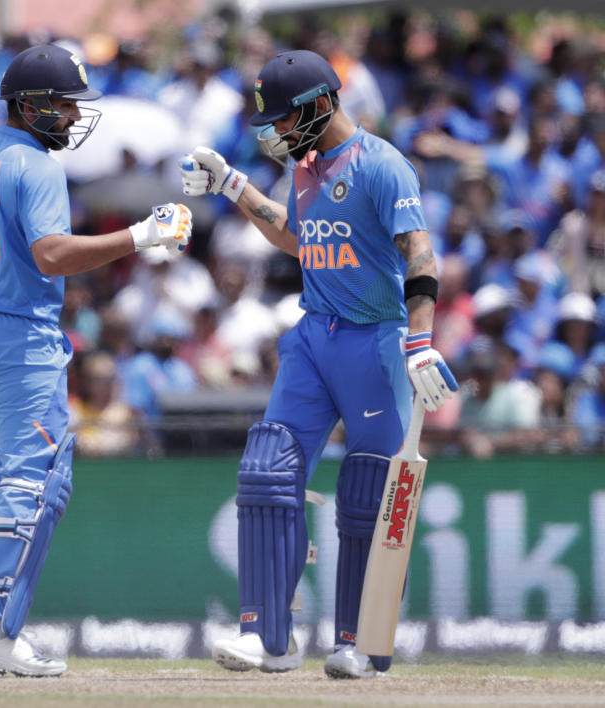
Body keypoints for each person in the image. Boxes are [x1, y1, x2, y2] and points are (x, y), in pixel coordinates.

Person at [0, 44, 191, 678]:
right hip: (19, 337)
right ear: (30, 104)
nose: (74, 116)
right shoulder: (39, 167)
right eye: (65, 103)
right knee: (35, 479)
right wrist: (141, 235)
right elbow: (50, 255)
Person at [179, 49, 458, 679]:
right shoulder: (305, 166)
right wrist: (233, 184)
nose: (277, 131)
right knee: (265, 470)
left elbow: (420, 254)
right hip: (312, 336)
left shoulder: (383, 165)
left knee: (366, 495)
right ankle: (267, 638)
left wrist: (420, 339)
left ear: (320, 105)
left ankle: (358, 640)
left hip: (376, 340)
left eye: (283, 119)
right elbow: (295, 237)